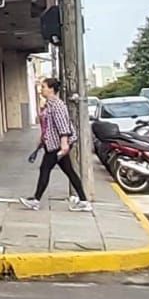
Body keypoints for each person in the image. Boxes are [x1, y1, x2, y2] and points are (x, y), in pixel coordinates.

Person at [22, 77, 92, 211]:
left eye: (43, 87)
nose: (41, 89)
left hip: (57, 145)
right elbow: (50, 126)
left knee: (45, 169)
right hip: (53, 143)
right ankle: (83, 200)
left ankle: (36, 200)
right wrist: (43, 140)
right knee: (69, 171)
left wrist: (64, 143)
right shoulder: (50, 104)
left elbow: (62, 124)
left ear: (51, 89)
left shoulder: (57, 105)